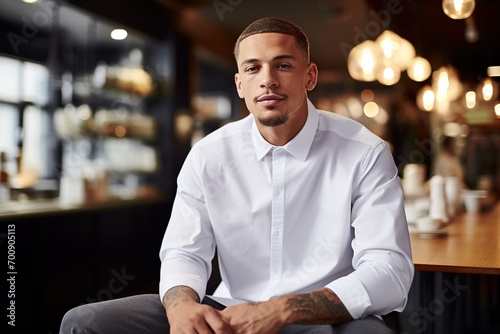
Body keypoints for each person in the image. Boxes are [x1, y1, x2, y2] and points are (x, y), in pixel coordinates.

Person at [60, 17, 414, 334]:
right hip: (229, 312)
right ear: (240, 84)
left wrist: (280, 310)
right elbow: (184, 252)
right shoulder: (207, 155)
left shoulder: (365, 152)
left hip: (325, 318)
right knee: (84, 323)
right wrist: (182, 307)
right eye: (252, 69)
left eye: (283, 65)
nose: (268, 81)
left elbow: (390, 271)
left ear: (310, 76)